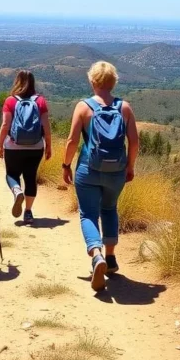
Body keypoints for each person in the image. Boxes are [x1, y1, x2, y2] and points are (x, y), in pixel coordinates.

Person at [62, 61, 139, 291]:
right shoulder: (124, 108)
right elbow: (134, 142)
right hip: (116, 171)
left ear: (92, 81)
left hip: (88, 169)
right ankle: (111, 258)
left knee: (88, 214)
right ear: (113, 82)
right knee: (109, 209)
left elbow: (72, 141)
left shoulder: (83, 107)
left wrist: (66, 165)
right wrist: (130, 167)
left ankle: (97, 255)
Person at [0, 70, 52, 225]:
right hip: (36, 146)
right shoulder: (40, 101)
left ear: (17, 81)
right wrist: (48, 146)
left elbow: (5, 125)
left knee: (11, 174)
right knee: (30, 177)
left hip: (13, 146)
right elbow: (46, 126)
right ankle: (28, 212)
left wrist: (0, 145)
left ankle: (17, 191)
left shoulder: (10, 101)